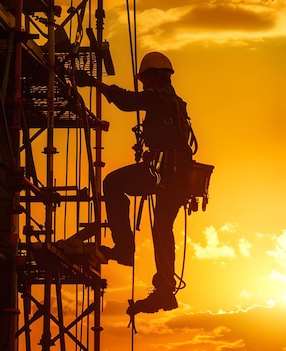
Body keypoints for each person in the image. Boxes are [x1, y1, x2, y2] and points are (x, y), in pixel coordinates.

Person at [75, 52, 193, 315]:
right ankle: (164, 289)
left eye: (143, 78)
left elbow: (127, 101)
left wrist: (95, 84)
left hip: (165, 172)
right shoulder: (175, 102)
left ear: (151, 76)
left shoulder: (158, 97)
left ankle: (125, 249)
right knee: (162, 227)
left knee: (114, 183)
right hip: (177, 175)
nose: (142, 83)